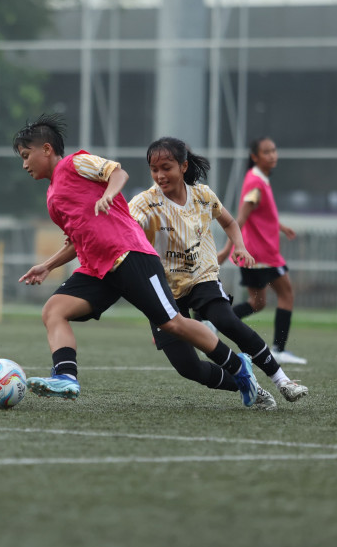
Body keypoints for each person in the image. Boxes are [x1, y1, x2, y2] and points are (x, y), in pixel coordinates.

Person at [13, 113, 261, 406]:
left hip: (130, 255)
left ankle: (236, 364)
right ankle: (66, 377)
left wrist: (109, 194)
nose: (25, 164)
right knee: (53, 310)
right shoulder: (52, 196)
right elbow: (79, 240)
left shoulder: (74, 163)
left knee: (173, 324)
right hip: (98, 269)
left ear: (47, 149)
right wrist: (47, 265)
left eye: (27, 155)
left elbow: (118, 173)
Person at [127, 137, 309, 411]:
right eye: (154, 169)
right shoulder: (144, 204)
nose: (160, 175)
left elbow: (230, 221)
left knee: (227, 321)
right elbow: (127, 229)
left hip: (202, 276)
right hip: (163, 288)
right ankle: (247, 385)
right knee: (189, 368)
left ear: (184, 166)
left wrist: (240, 247)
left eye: (167, 167)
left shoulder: (203, 195)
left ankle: (283, 381)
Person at [218, 137, 305, 364]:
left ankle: (215, 321)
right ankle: (279, 349)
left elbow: (261, 216)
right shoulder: (256, 183)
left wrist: (281, 227)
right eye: (267, 152)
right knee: (286, 295)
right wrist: (229, 248)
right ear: (255, 157)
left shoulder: (257, 179)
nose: (273, 155)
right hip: (263, 254)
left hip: (260, 253)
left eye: (274, 150)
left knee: (257, 303)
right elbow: (242, 217)